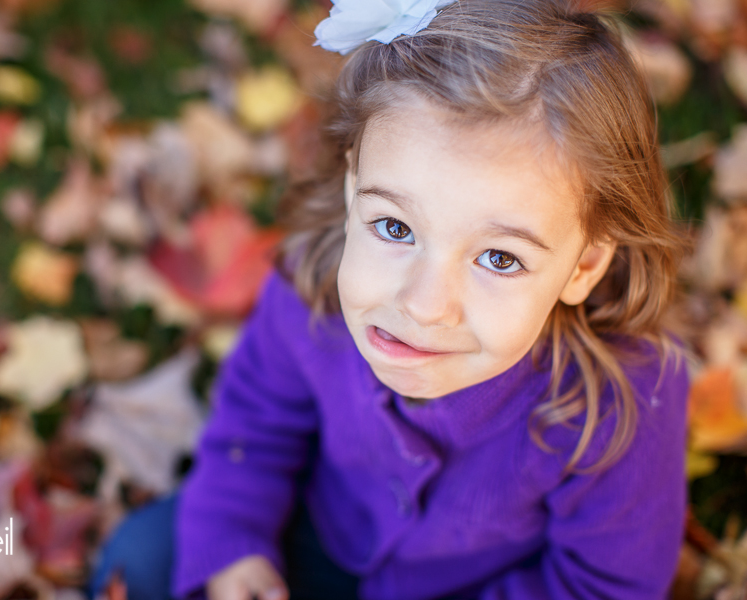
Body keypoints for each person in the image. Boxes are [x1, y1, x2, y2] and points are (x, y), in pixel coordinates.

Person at [87, 0, 697, 598]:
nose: (426, 305)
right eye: (395, 228)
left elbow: (602, 586)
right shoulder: (313, 285)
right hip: (313, 535)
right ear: (354, 183)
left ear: (585, 263)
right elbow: (257, 421)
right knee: (141, 562)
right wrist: (237, 545)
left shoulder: (622, 401)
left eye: (500, 258)